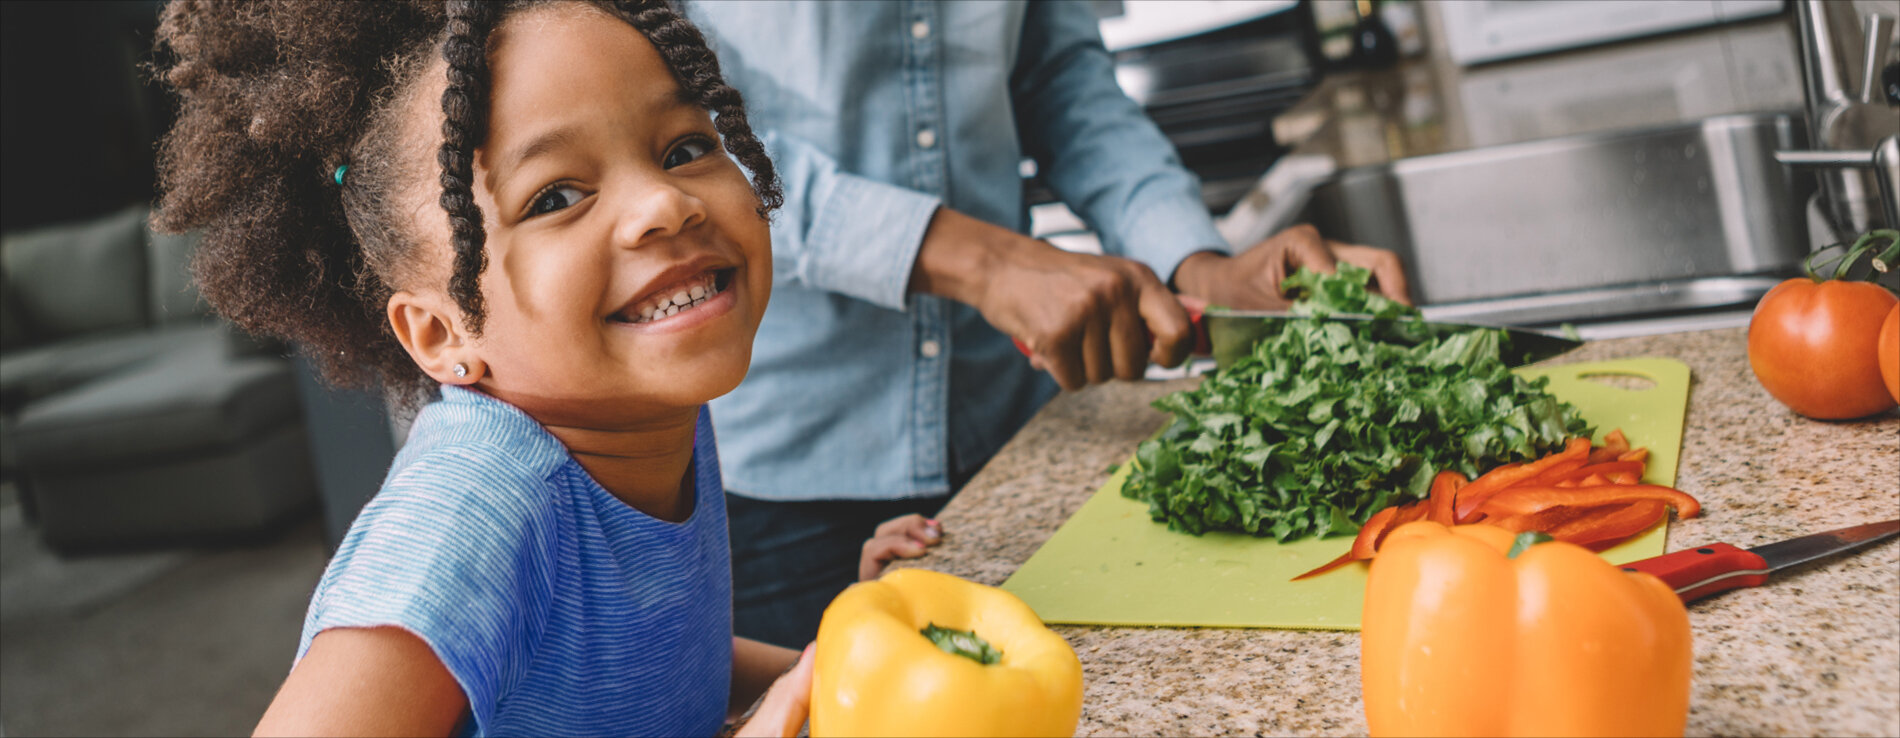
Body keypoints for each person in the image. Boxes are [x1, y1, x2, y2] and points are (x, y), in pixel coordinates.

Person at [150, 0, 840, 734]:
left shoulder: (641, 408)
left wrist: (837, 665)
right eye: (556, 197)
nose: (664, 204)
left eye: (683, 149)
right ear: (442, 333)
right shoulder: (474, 513)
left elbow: (646, 654)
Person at [684, 1, 1413, 648]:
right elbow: (685, 135)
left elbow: (1060, 77)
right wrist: (984, 261)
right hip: (792, 471)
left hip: (1017, 431)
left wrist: (1194, 262)